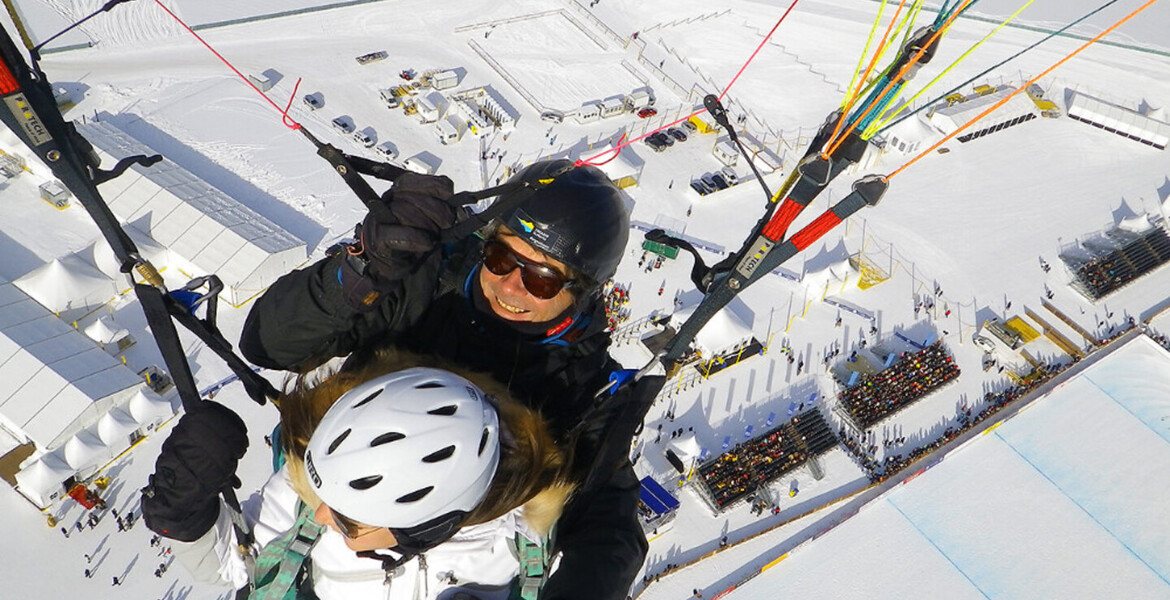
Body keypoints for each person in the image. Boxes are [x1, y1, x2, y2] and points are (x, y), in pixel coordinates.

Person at [239, 159, 652, 599]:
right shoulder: (424, 285)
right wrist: (358, 274)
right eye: (501, 258)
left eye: (542, 279)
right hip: (337, 539)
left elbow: (609, 529)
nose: (511, 287)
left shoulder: (585, 385)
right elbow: (268, 344)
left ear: (584, 291)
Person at [142, 352, 572, 599]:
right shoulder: (311, 492)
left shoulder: (522, 537)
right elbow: (238, 564)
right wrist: (182, 514)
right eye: (325, 498)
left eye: (349, 520)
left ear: (425, 529)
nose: (322, 515)